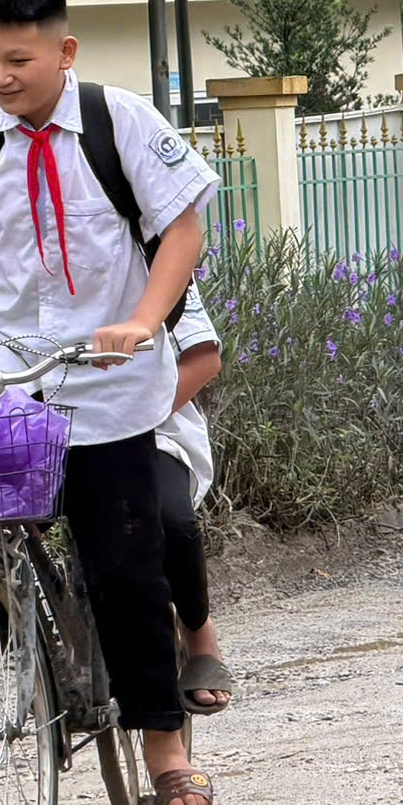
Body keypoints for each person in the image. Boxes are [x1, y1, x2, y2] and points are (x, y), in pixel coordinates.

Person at [0, 0, 218, 805]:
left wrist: (145, 320)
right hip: (1, 370)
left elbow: (183, 227)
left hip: (106, 381)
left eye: (16, 59)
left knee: (123, 568)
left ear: (63, 51)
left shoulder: (121, 122)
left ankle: (165, 747)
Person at [157, 285, 235, 715]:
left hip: (150, 428)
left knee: (173, 524)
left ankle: (197, 627)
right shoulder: (9, 248)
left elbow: (203, 357)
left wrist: (135, 416)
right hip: (41, 434)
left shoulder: (152, 251)